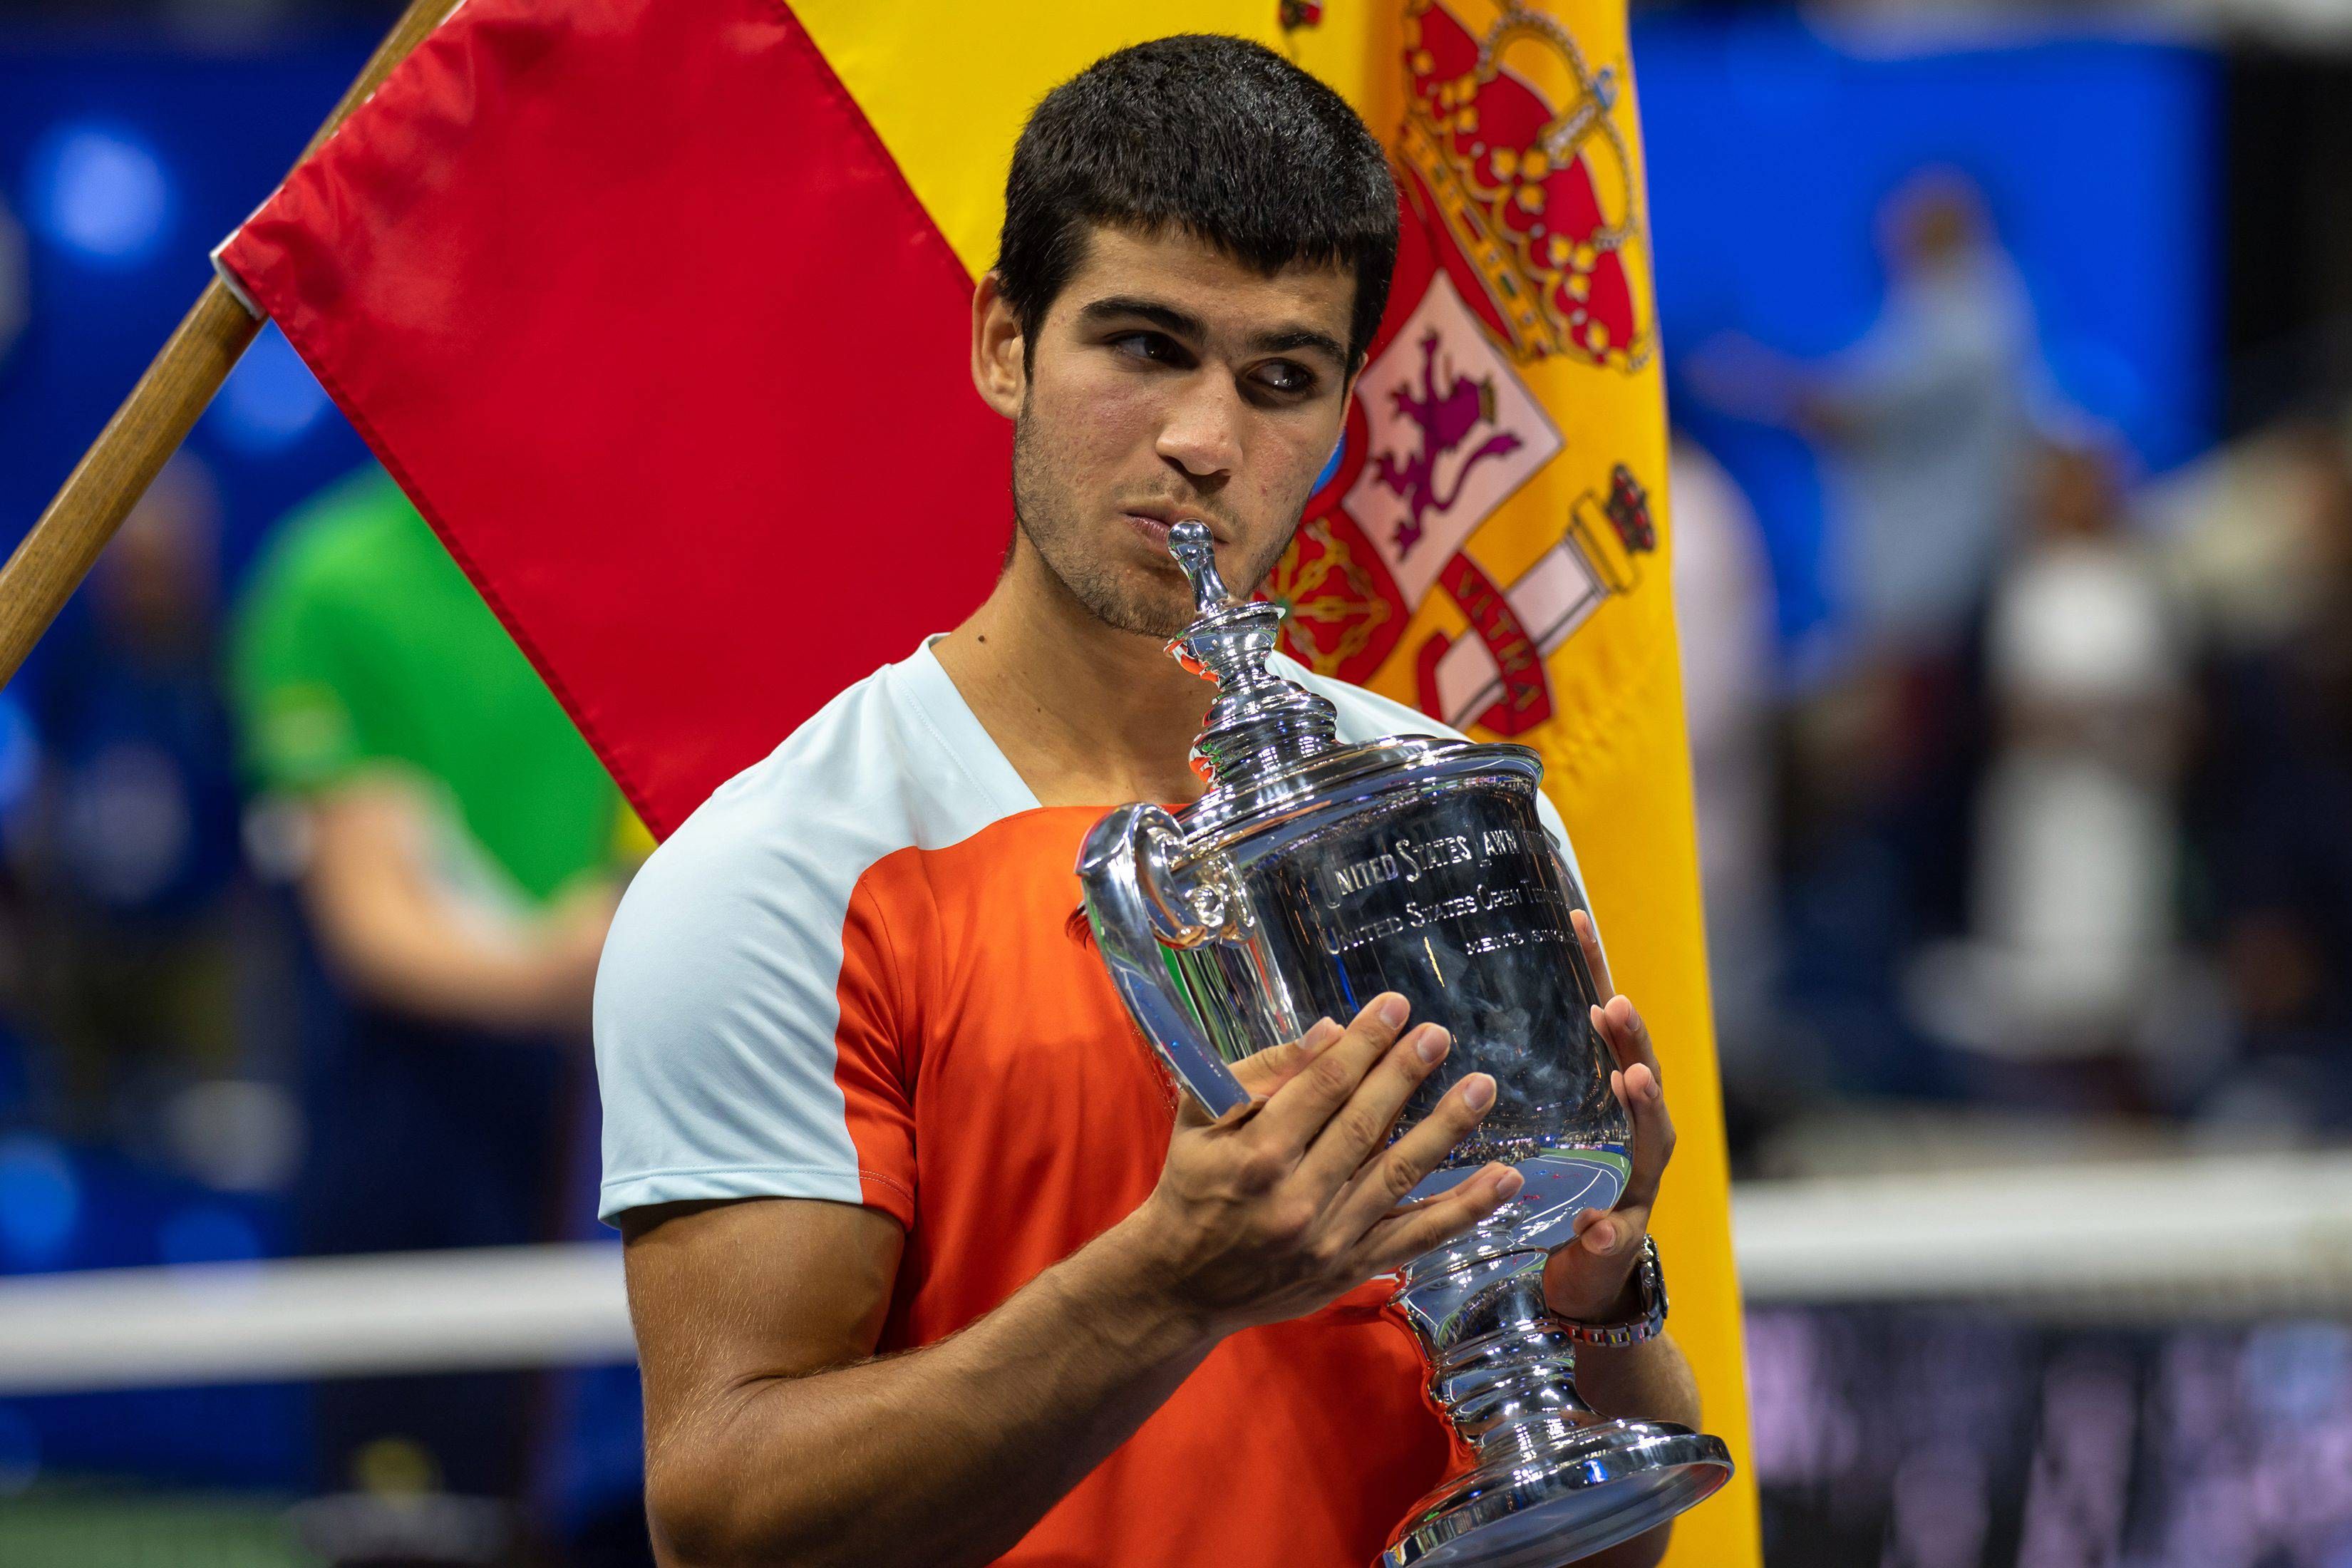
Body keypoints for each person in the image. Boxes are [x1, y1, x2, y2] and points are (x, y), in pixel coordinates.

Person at [596, 37, 1701, 1568]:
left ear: (1339, 417)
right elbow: (724, 1522)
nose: (1204, 440)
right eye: (1141, 345)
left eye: (1281, 378)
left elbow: (1607, 1544)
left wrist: (1595, 1291)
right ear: (1004, 342)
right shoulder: (782, 874)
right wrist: (1174, 1282)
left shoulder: (1446, 816)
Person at [229, 467, 644, 1559]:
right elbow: (375, 930)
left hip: (630, 1158)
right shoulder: (336, 579)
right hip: (413, 1159)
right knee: (420, 1537)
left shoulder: (648, 561)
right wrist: (597, 959)